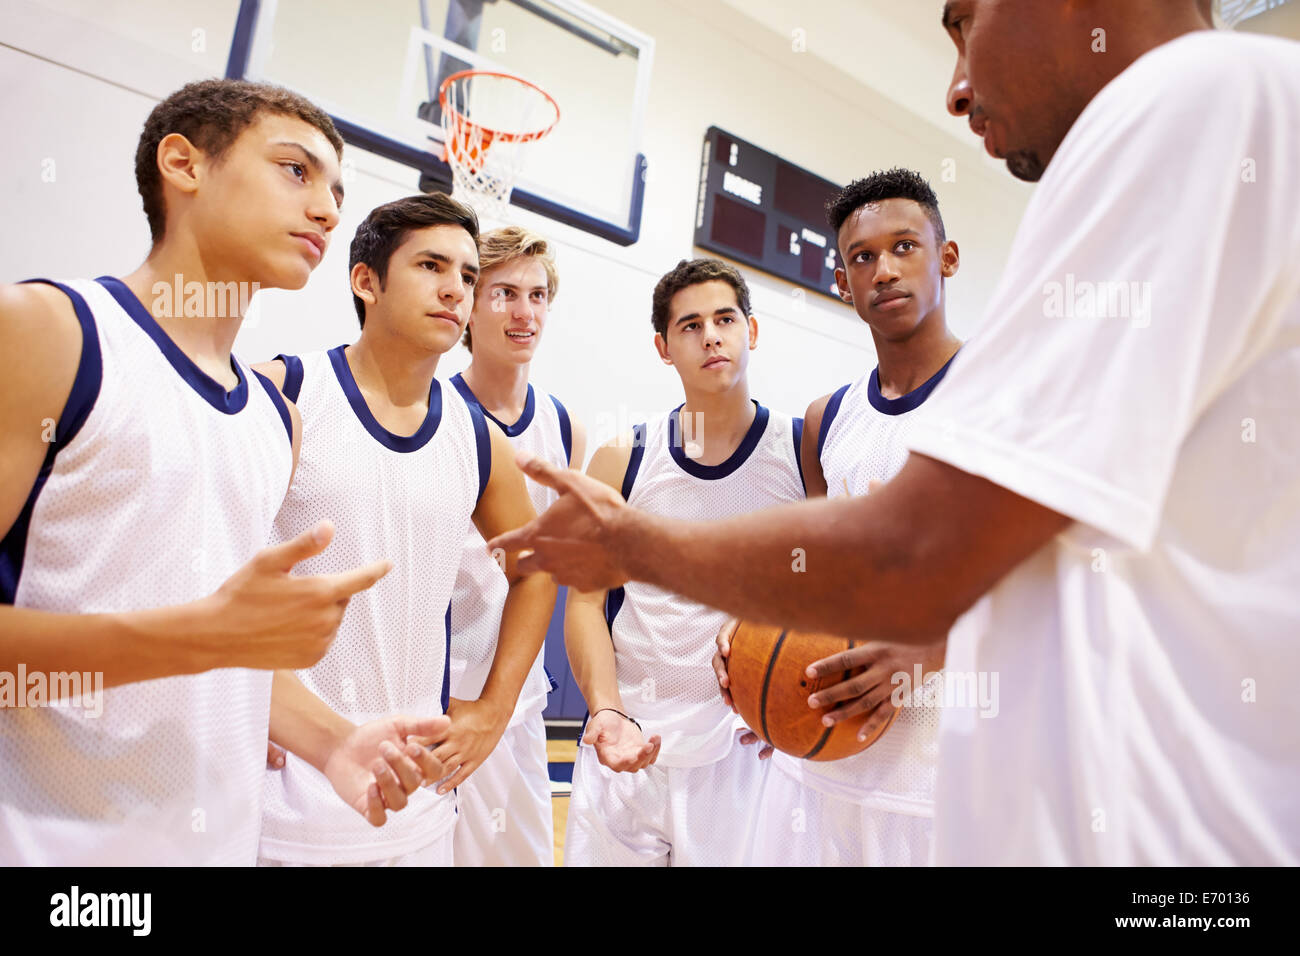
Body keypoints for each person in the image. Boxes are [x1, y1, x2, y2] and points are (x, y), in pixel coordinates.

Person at [491, 1, 1300, 864]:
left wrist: (632, 545)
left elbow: (914, 556)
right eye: (862, 258)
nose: (955, 88)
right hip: (840, 783)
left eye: (963, 21)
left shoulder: (1196, 98)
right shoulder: (826, 421)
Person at [0, 79, 420, 866]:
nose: (329, 210)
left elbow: (223, 651)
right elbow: (201, 638)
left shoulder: (274, 417)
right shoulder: (48, 332)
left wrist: (334, 743)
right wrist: (199, 638)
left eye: (337, 190)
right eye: (297, 171)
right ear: (183, 165)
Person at [255, 194, 556, 866]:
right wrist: (244, 702)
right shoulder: (286, 391)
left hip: (418, 805)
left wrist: (493, 708)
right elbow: (207, 565)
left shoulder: (476, 436)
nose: (456, 289)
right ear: (366, 280)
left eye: (469, 275)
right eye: (430, 265)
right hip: (284, 795)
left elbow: (537, 565)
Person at [742, 168, 959, 867]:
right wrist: (748, 646)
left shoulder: (1003, 396)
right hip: (819, 757)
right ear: (842, 282)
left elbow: (1054, 580)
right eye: (862, 257)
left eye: (905, 247)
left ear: (946, 259)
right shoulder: (825, 420)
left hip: (940, 769)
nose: (884, 270)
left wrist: (931, 650)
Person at [562, 258, 804, 866]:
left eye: (725, 319)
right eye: (690, 325)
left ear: (752, 330)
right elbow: (587, 601)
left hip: (745, 749)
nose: (711, 336)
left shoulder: (802, 454)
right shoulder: (625, 458)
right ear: (663, 347)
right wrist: (607, 709)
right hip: (629, 743)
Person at [447, 226, 585, 867]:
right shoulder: (432, 409)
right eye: (503, 293)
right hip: (430, 695)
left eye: (537, 295)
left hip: (514, 699)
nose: (524, 312)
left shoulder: (562, 426)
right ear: (470, 304)